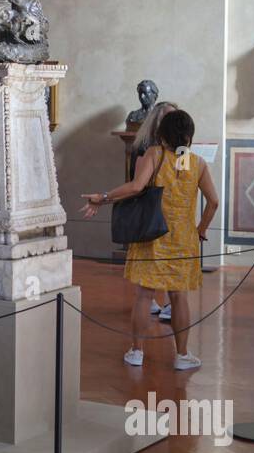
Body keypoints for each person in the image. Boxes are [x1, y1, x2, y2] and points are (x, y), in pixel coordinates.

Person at [81, 108, 219, 371]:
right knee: (179, 297)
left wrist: (103, 197)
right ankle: (182, 355)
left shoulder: (155, 155)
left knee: (144, 295)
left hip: (152, 235)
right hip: (183, 239)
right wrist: (201, 229)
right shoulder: (198, 163)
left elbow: (135, 187)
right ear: (189, 135)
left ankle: (137, 352)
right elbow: (213, 202)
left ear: (162, 133)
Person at [129, 99, 178, 322]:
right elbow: (137, 183)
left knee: (169, 260)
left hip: (171, 208)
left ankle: (168, 303)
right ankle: (150, 301)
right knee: (148, 258)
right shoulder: (144, 147)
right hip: (150, 207)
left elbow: (182, 178)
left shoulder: (180, 148)